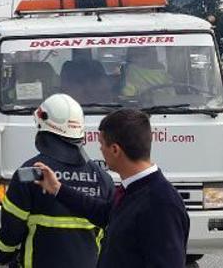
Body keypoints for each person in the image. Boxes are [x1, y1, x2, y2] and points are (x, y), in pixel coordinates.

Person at [34, 108, 190, 268]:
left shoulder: (161, 204)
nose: (100, 149)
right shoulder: (134, 189)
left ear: (115, 149)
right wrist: (57, 188)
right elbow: (104, 213)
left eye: (101, 144)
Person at [0, 94, 113, 268]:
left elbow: (11, 231)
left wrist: (1, 256)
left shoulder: (29, 174)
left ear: (43, 127)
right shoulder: (103, 179)